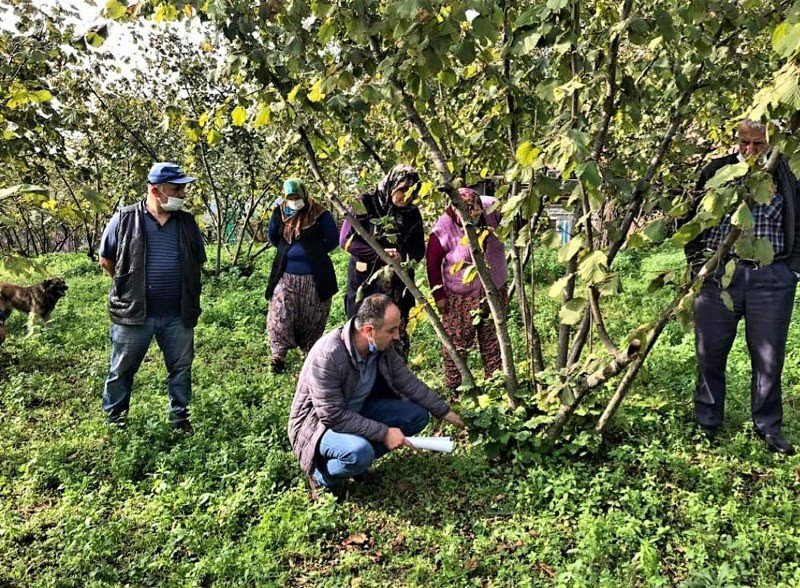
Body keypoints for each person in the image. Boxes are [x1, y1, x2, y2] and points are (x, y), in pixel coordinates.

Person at [686, 119, 800, 455]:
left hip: (771, 278)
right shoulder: (716, 171)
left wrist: (792, 270)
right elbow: (692, 220)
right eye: (743, 142)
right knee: (710, 351)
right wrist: (698, 266)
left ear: (771, 143)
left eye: (758, 144)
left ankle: (768, 427)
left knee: (768, 357)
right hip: (719, 276)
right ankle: (707, 421)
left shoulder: (787, 175)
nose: (749, 150)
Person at [287, 293, 465, 496]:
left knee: (417, 416)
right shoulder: (328, 355)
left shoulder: (382, 348)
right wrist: (383, 432)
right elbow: (332, 415)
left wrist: (447, 413)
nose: (397, 336)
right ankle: (321, 476)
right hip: (318, 426)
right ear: (369, 331)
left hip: (358, 411)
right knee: (359, 453)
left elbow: (409, 383)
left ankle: (359, 464)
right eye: (391, 330)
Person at [99, 162, 206, 432]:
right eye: (176, 189)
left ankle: (180, 421)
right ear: (156, 190)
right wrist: (129, 287)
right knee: (121, 370)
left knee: (181, 370)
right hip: (134, 314)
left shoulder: (187, 223)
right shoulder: (124, 219)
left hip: (178, 314)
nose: (182, 194)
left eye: (183, 189)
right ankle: (116, 422)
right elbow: (106, 260)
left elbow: (197, 261)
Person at [339, 164, 426, 357]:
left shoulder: (412, 213)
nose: (407, 196)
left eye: (412, 191)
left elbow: (419, 249)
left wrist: (402, 257)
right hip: (366, 280)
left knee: (395, 333)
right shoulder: (365, 203)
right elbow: (345, 241)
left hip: (398, 284)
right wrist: (378, 254)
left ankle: (394, 380)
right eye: (403, 190)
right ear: (392, 185)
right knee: (364, 330)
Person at [426, 187, 508, 392]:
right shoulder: (444, 226)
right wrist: (439, 295)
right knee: (457, 343)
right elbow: (432, 262)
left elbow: (518, 220)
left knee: (493, 341)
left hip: (494, 290)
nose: (473, 218)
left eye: (476, 213)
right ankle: (456, 389)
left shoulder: (492, 208)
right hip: (460, 297)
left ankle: (496, 386)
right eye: (467, 215)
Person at [265, 178, 339, 373]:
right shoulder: (279, 211)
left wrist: (314, 252)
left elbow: (333, 240)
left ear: (304, 195)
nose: (294, 200)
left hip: (315, 276)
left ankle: (309, 353)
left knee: (312, 315)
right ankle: (278, 356)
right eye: (290, 197)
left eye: (297, 196)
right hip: (285, 274)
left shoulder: (320, 213)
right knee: (280, 313)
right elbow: (273, 236)